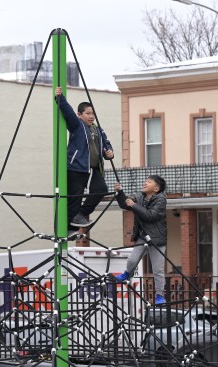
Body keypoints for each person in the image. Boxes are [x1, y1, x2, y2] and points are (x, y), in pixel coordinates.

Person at [54, 87, 114, 232]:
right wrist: (60, 98)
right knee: (75, 197)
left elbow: (106, 145)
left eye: (93, 113)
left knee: (101, 190)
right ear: (80, 115)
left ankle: (81, 214)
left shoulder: (98, 129)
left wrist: (109, 153)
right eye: (88, 113)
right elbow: (68, 113)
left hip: (94, 168)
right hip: (77, 166)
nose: (91, 116)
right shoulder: (77, 126)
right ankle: (68, 227)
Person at [113, 175, 168, 306]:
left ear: (156, 188)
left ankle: (160, 295)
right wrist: (119, 193)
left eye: (148, 182)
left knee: (158, 269)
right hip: (142, 236)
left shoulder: (161, 200)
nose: (145, 183)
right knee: (132, 259)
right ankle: (127, 273)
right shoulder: (139, 197)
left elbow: (150, 216)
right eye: (145, 181)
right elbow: (125, 204)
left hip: (157, 240)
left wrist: (134, 206)